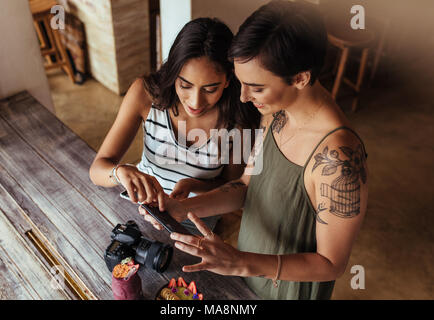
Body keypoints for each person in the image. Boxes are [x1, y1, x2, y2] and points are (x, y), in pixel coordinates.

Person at [140, 0, 369, 300]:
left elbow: (331, 264)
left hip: (287, 290)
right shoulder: (275, 113)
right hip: (246, 272)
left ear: (301, 77)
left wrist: (239, 263)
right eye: (241, 83)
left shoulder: (338, 158)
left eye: (256, 87)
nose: (244, 97)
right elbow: (247, 186)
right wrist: (183, 209)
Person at [89, 18, 260, 232]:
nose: (195, 102)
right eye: (185, 85)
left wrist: (194, 186)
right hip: (138, 208)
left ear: (228, 79)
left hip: (195, 216)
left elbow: (233, 186)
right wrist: (119, 172)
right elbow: (97, 169)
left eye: (210, 89)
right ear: (173, 73)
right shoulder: (146, 94)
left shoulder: (240, 120)